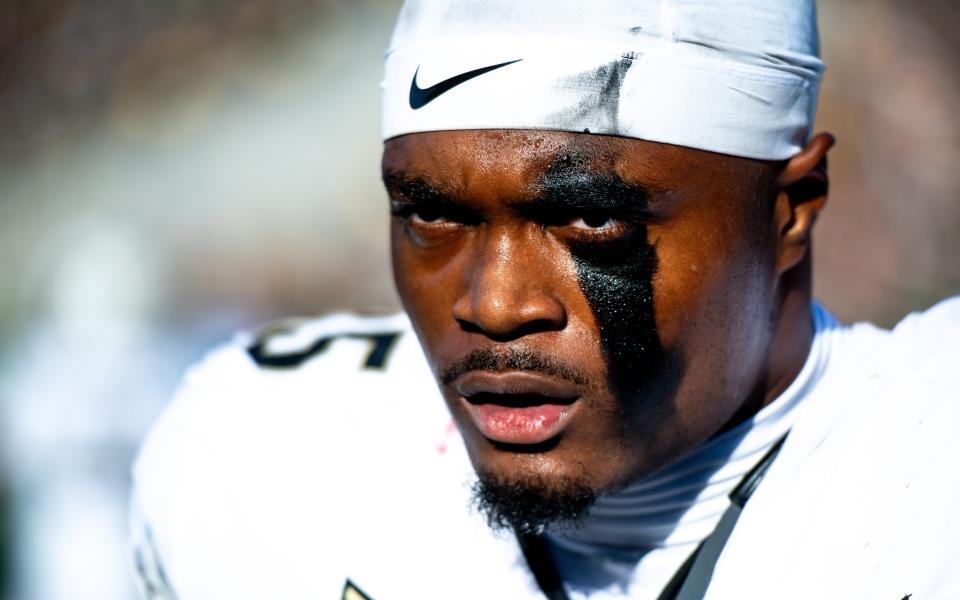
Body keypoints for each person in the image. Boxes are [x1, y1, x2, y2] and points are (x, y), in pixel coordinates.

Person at [130, 1, 960, 598]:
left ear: (789, 211)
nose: (493, 306)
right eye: (431, 213)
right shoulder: (261, 463)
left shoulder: (928, 463)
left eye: (592, 217)